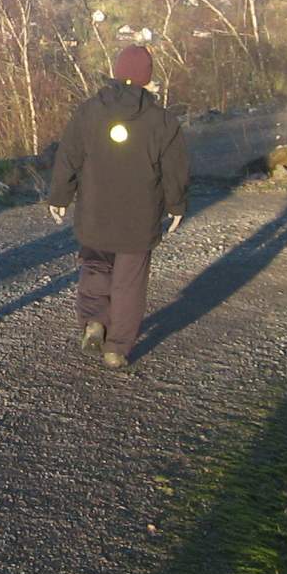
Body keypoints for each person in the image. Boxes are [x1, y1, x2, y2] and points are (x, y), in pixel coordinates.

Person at [44, 44, 189, 368]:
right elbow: (174, 171)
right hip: (138, 219)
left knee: (95, 267)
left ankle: (94, 320)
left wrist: (59, 197)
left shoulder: (89, 111)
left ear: (116, 72)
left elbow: (68, 157)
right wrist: (176, 206)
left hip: (96, 212)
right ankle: (117, 347)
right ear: (147, 77)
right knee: (129, 282)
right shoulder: (162, 121)